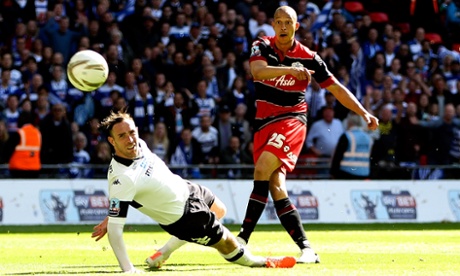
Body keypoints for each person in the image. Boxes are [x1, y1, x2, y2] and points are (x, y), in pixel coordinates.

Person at [236, 6, 379, 264]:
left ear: (296, 26)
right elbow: (258, 72)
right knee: (276, 185)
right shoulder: (261, 45)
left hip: (291, 120)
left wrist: (364, 113)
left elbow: (335, 87)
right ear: (272, 24)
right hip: (263, 123)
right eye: (278, 22)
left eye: (287, 22)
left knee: (262, 168)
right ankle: (307, 249)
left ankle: (242, 240)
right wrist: (290, 70)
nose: (282, 27)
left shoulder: (309, 56)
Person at [91, 110, 296, 273]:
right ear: (112, 142)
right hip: (184, 217)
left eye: (132, 132)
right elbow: (116, 232)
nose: (130, 139)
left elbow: (124, 200)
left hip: (187, 189)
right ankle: (260, 262)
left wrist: (111, 215)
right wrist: (128, 270)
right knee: (227, 242)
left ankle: (162, 253)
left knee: (220, 210)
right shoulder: (122, 178)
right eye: (122, 136)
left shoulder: (140, 145)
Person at [330, 113, 373, 179]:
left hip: (347, 172)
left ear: (349, 123)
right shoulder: (368, 137)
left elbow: (338, 155)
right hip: (364, 173)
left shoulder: (347, 136)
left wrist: (333, 172)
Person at [3, 111, 41, 178]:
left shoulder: (19, 133)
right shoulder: (38, 133)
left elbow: (7, 149)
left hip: (18, 169)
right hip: (35, 169)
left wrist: (5, 160)